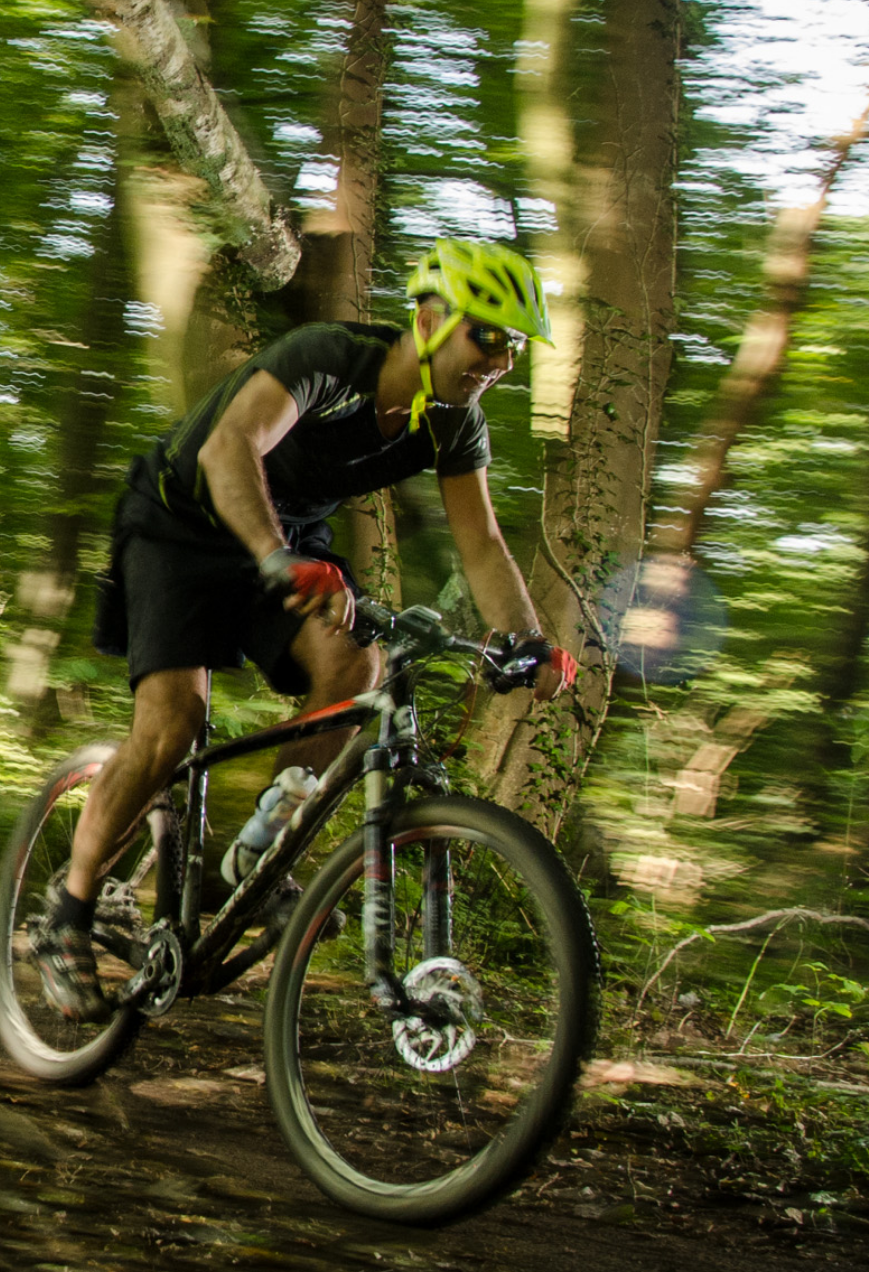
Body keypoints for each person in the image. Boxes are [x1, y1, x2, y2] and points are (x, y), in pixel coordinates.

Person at [34, 238, 577, 1017]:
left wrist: (527, 640)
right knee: (173, 725)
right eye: (487, 335)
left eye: (515, 346)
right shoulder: (330, 358)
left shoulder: (454, 423)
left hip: (285, 542)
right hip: (181, 525)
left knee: (359, 666)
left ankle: (264, 850)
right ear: (428, 321)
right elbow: (232, 447)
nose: (500, 360)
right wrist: (274, 556)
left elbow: (484, 544)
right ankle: (70, 912)